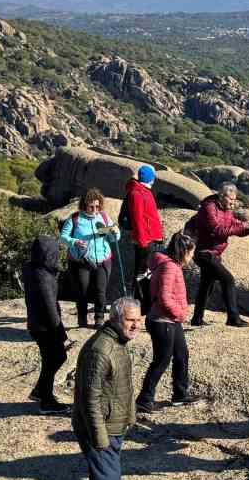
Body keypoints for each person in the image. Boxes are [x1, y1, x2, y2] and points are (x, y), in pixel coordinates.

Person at [73, 297, 145, 480]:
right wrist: (99, 437)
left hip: (114, 424)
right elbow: (88, 399)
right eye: (130, 320)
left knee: (104, 478)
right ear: (115, 319)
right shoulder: (100, 350)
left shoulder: (119, 342)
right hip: (99, 429)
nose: (136, 325)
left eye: (138, 319)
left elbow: (122, 387)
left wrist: (130, 416)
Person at [137, 232, 198, 412]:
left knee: (181, 355)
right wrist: (179, 313)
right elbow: (164, 297)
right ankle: (144, 399)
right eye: (191, 252)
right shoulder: (170, 267)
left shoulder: (167, 264)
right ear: (184, 251)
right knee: (161, 360)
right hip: (162, 320)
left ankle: (180, 394)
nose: (192, 256)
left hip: (170, 320)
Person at [190, 183, 249, 327]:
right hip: (204, 253)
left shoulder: (226, 210)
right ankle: (233, 317)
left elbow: (236, 227)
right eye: (231, 199)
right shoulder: (208, 207)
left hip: (214, 253)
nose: (233, 203)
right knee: (228, 280)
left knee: (206, 286)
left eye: (234, 200)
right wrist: (243, 226)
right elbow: (217, 230)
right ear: (221, 196)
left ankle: (197, 319)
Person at [20, 235, 68, 414]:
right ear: (49, 254)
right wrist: (59, 331)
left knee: (53, 358)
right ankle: (46, 401)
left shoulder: (33, 270)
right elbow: (49, 307)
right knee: (55, 358)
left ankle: (40, 391)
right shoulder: (43, 276)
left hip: (37, 324)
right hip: (45, 326)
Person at [58, 189, 119, 328]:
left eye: (97, 206)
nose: (95, 209)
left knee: (100, 290)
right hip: (81, 260)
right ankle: (82, 319)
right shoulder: (75, 218)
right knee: (82, 291)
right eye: (91, 206)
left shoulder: (103, 217)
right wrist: (74, 242)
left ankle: (99, 319)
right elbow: (63, 237)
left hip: (103, 259)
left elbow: (113, 236)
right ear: (84, 205)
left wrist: (115, 232)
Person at [120, 165, 164, 300]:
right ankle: (138, 299)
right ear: (150, 178)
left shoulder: (143, 191)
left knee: (147, 270)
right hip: (144, 239)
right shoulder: (137, 193)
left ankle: (143, 298)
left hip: (149, 237)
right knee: (141, 270)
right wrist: (142, 241)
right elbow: (138, 219)